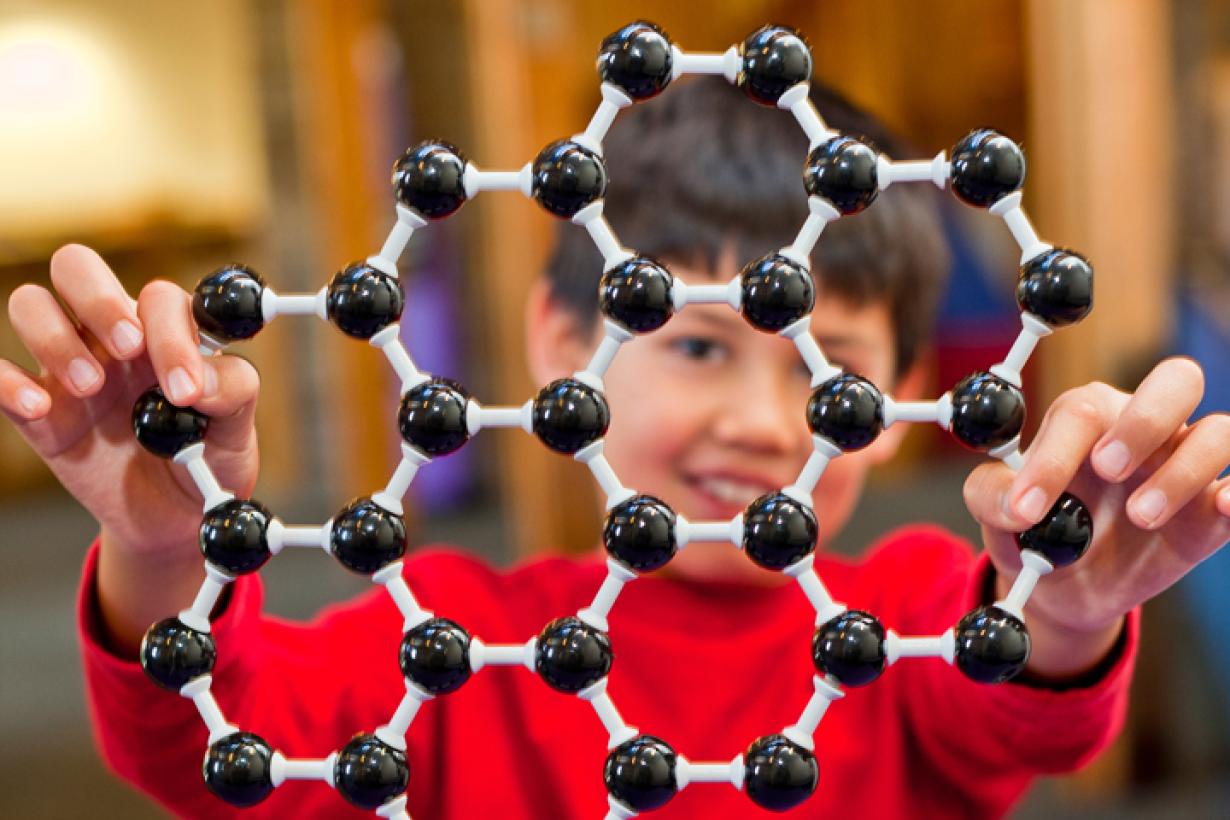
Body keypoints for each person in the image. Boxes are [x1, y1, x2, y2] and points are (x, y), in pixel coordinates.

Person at [3, 76, 1229, 820]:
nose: (762, 420)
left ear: (907, 393)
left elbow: (1026, 711)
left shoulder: (907, 625)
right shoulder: (442, 646)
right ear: (563, 343)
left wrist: (1060, 607)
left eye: (830, 375)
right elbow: (212, 750)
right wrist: (163, 552)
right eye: (698, 347)